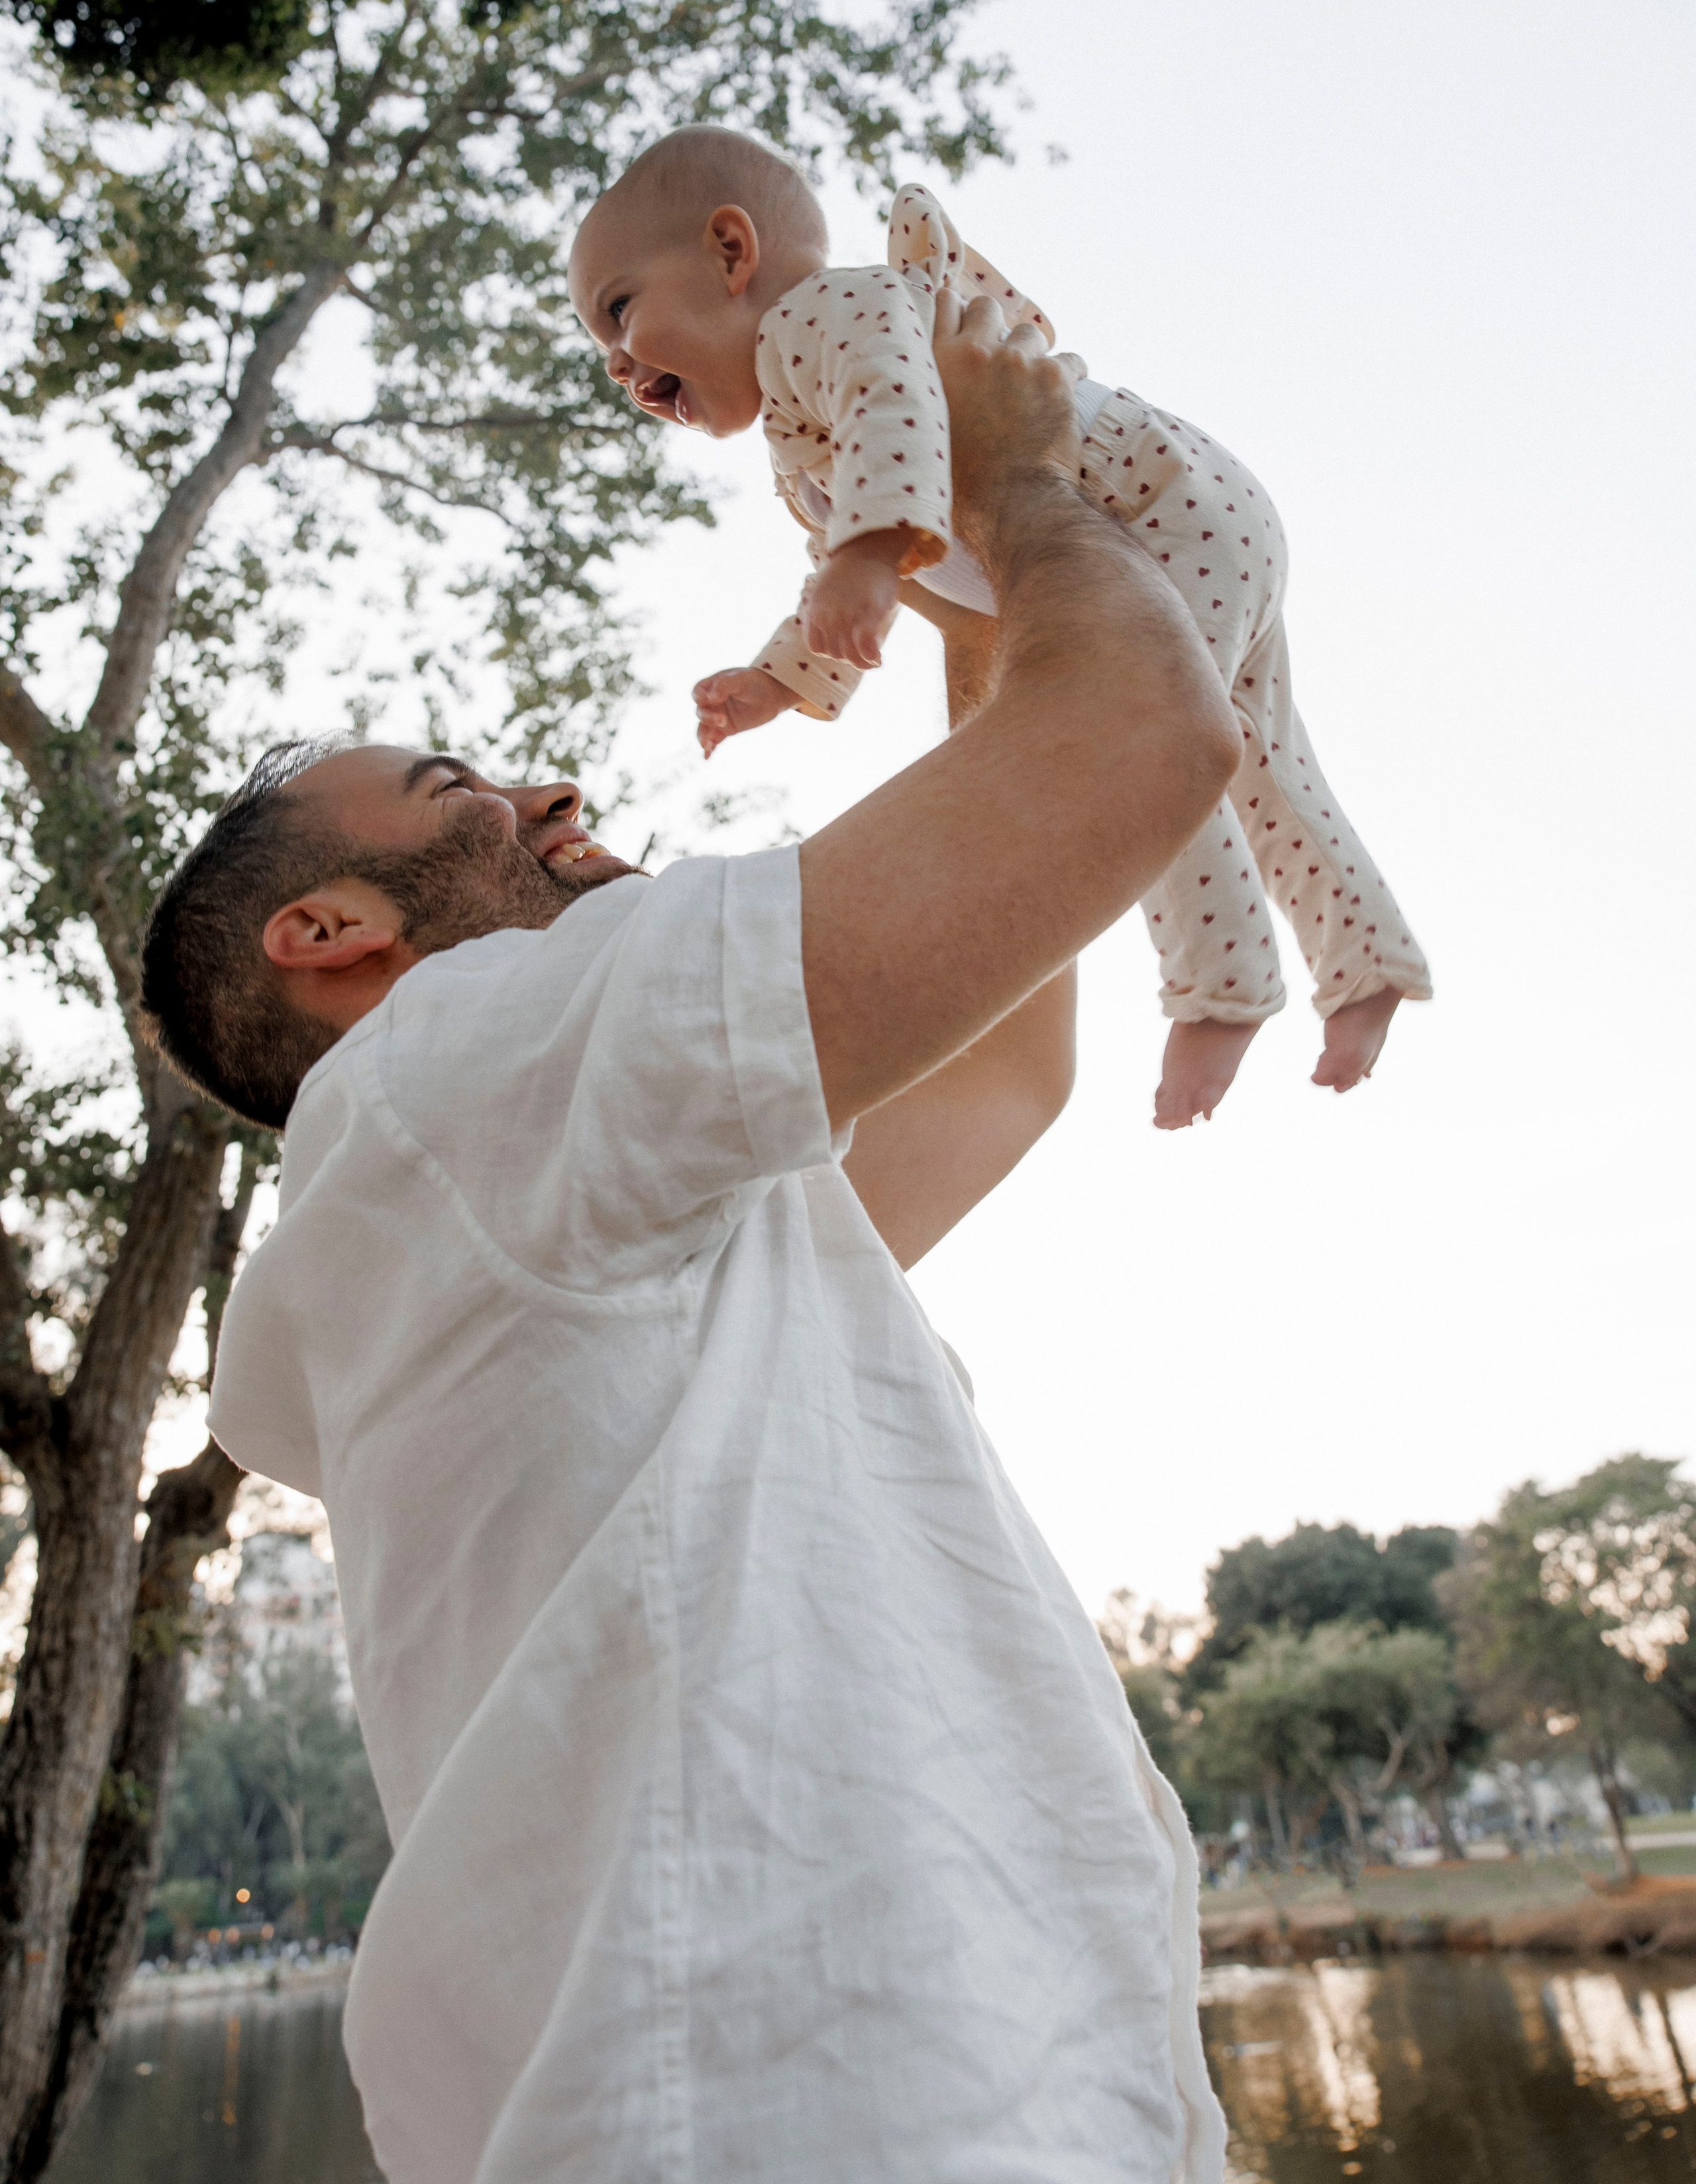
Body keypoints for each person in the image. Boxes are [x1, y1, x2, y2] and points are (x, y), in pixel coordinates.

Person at [140, 296, 1243, 2184]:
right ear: (328, 935)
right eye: (460, 794)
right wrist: (1023, 489)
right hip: (809, 2115)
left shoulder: (560, 1205)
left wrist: (966, 599)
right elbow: (1143, 740)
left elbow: (1001, 1069)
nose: (549, 793)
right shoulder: (460, 1072)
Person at [567, 127, 1432, 1129]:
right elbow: (840, 556)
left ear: (730, 252)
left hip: (1146, 504)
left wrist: (869, 555)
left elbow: (898, 409)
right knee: (1267, 759)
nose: (617, 364)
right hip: (1194, 508)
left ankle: (1222, 986)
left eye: (619, 310)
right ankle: (1366, 960)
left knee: (1135, 731)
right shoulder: (796, 424)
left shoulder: (821, 316)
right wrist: (781, 677)